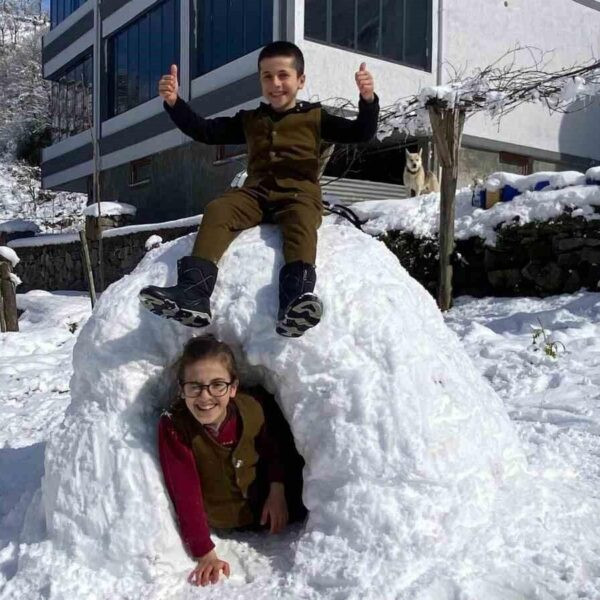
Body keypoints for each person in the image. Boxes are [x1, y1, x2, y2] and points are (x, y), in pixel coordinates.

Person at [139, 41, 379, 337]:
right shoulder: (250, 119)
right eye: (267, 76)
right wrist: (175, 103)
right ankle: (194, 294)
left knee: (302, 222)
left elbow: (361, 133)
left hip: (298, 195)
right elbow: (205, 131)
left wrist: (368, 100)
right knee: (219, 208)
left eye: (283, 75)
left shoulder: (315, 117)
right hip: (254, 194)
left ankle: (294, 302)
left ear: (300, 81)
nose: (275, 83)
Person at [158, 335, 306, 586]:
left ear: (233, 387)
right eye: (195, 386)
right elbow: (184, 489)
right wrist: (204, 551)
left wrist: (278, 489)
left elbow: (275, 450)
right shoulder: (175, 426)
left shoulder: (253, 407)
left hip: (270, 509)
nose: (205, 397)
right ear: (181, 389)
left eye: (217, 385)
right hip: (221, 517)